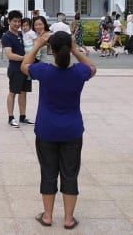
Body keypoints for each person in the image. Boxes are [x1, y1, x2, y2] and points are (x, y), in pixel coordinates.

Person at [21, 31, 96, 230]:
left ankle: (47, 215)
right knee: (70, 174)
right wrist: (75, 49)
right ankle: (68, 219)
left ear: (51, 50)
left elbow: (24, 66)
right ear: (68, 49)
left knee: (48, 173)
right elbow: (92, 68)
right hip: (72, 130)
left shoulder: (44, 71)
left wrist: (37, 45)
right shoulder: (79, 72)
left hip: (46, 129)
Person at [2, 10, 32, 128]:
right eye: (14, 21)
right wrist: (25, 58)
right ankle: (11, 117)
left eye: (19, 21)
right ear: (9, 21)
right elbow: (10, 55)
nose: (17, 23)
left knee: (23, 92)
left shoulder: (21, 34)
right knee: (13, 92)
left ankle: (23, 116)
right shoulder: (6, 36)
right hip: (15, 69)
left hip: (25, 69)